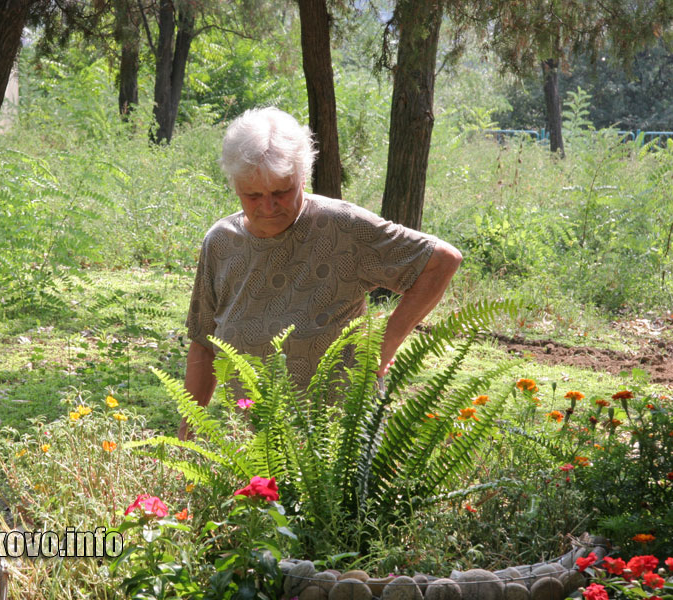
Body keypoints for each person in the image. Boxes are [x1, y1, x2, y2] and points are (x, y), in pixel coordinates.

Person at [179, 107, 462, 440]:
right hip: (251, 440)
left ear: (303, 178)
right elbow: (203, 341)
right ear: (236, 187)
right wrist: (188, 429)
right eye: (253, 195)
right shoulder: (222, 242)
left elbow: (442, 260)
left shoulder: (342, 227)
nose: (268, 207)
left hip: (336, 445)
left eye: (281, 192)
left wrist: (384, 348)